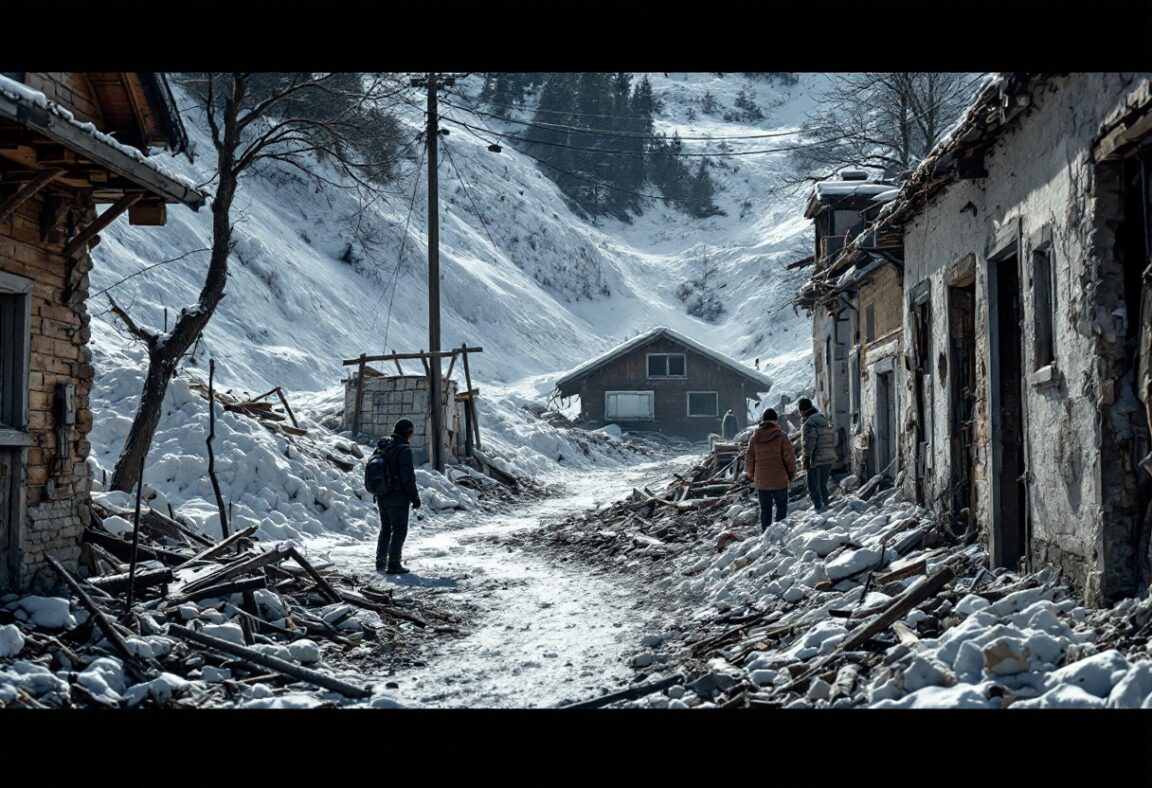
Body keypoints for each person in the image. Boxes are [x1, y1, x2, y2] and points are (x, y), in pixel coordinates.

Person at [375, 418, 422, 574]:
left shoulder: (383, 447)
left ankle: (380, 561)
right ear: (407, 432)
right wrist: (414, 498)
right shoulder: (403, 450)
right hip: (398, 497)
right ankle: (394, 564)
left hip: (382, 495)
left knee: (386, 529)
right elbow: (408, 477)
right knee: (399, 530)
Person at [744, 408, 796, 532]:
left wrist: (751, 475)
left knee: (765, 510)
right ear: (775, 420)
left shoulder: (754, 438)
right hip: (780, 480)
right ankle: (779, 533)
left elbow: (749, 459)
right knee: (781, 507)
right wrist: (792, 474)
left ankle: (765, 534)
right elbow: (789, 458)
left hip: (762, 481)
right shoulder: (782, 436)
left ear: (763, 420)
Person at [797, 397, 837, 512]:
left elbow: (809, 443)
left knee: (812, 485)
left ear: (802, 410)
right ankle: (825, 504)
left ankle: (819, 507)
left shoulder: (809, 423)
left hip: (817, 457)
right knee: (823, 483)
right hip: (829, 455)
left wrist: (806, 458)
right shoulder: (823, 419)